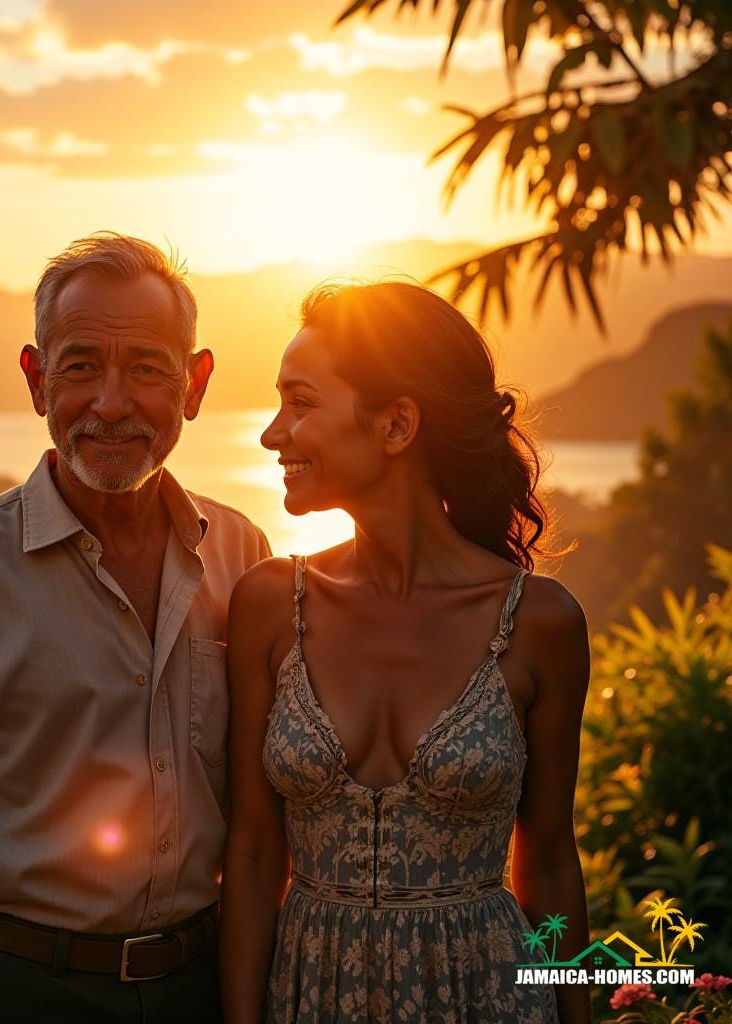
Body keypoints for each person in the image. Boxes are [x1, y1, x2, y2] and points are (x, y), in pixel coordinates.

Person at [0, 233, 270, 1024]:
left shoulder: (243, 556)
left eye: (146, 367)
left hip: (204, 989)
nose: (111, 402)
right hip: (22, 992)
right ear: (37, 382)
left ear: (195, 383)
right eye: (79, 367)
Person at [220, 281, 591, 1024]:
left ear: (396, 425)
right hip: (312, 998)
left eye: (300, 402)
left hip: (487, 997)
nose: (271, 433)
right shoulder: (268, 605)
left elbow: (548, 862)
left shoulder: (539, 622)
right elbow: (256, 858)